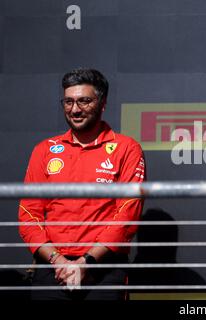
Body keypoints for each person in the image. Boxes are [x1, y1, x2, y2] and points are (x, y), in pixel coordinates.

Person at [18, 68, 146, 300]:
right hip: (51, 267)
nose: (75, 109)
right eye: (69, 102)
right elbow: (29, 214)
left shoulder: (126, 148)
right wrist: (59, 261)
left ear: (103, 103)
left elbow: (128, 214)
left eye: (84, 101)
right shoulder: (44, 150)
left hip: (104, 267)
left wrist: (87, 261)